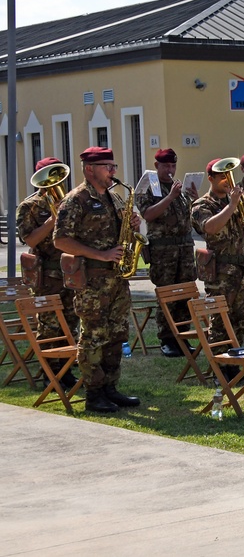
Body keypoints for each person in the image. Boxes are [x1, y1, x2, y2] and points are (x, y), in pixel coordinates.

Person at [53, 147, 142, 413]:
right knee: (94, 336)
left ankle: (110, 388)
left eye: (114, 166)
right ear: (89, 169)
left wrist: (133, 224)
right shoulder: (75, 200)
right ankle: (93, 393)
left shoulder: (114, 197)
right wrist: (100, 255)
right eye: (108, 166)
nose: (113, 171)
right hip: (92, 280)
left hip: (117, 279)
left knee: (117, 335)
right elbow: (60, 240)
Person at [16, 157, 81, 389]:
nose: (54, 182)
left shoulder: (71, 201)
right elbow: (30, 239)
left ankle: (66, 372)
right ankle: (49, 374)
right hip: (47, 277)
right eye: (49, 176)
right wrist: (52, 222)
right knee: (50, 325)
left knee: (71, 322)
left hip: (70, 271)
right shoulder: (28, 206)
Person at [135, 148, 199, 358]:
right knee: (167, 294)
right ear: (157, 166)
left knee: (186, 293)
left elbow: (186, 216)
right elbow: (148, 214)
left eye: (173, 166)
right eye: (166, 166)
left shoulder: (178, 187)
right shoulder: (147, 188)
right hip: (163, 250)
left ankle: (182, 336)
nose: (170, 170)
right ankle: (166, 339)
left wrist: (193, 199)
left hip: (184, 248)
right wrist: (170, 197)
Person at [191, 158, 244, 346]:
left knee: (240, 319)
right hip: (221, 271)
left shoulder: (239, 201)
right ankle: (221, 368)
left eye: (228, 175)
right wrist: (231, 206)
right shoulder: (202, 205)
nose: (227, 180)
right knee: (221, 321)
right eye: (222, 176)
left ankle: (235, 364)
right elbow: (209, 228)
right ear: (210, 178)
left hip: (242, 268)